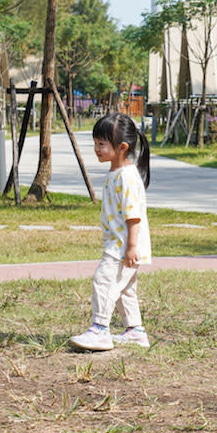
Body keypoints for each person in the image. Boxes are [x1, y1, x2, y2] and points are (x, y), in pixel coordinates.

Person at [70, 113, 152, 351]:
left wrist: (131, 247)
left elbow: (133, 215)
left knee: (104, 280)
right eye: (95, 143)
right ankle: (135, 331)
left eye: (102, 144)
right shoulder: (117, 173)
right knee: (124, 289)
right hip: (120, 244)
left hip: (123, 247)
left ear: (122, 147)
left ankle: (100, 329)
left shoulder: (126, 177)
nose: (96, 149)